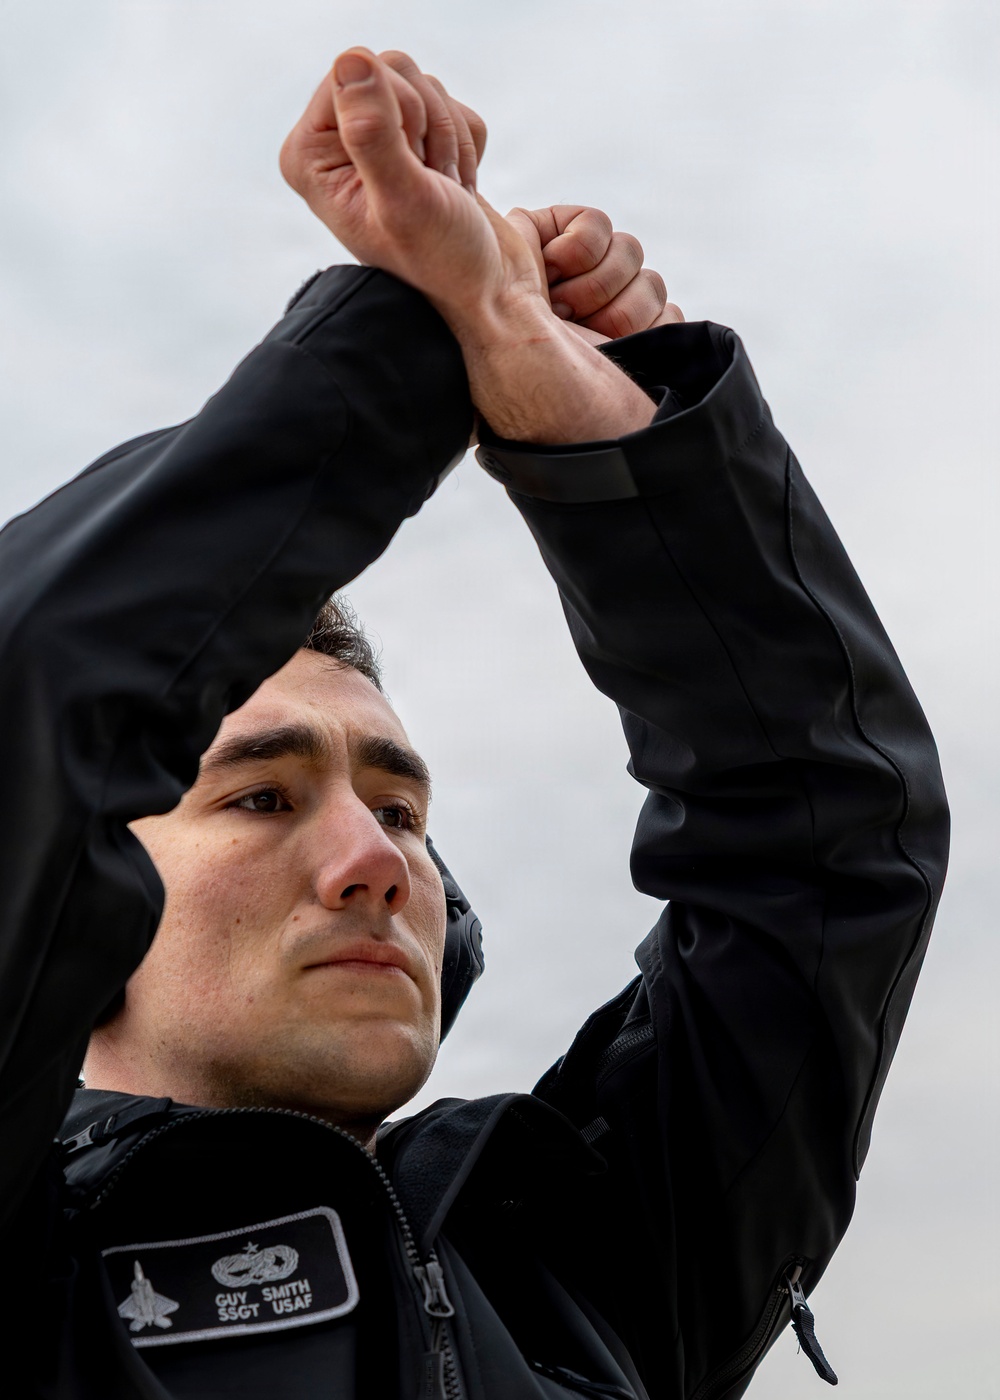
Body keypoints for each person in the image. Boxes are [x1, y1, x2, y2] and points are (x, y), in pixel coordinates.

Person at [0, 46, 948, 1400]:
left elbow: (828, 843)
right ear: (76, 914)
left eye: (402, 811)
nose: (380, 862)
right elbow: (34, 686)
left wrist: (606, 441)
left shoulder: (585, 1261)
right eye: (260, 796)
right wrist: (415, 331)